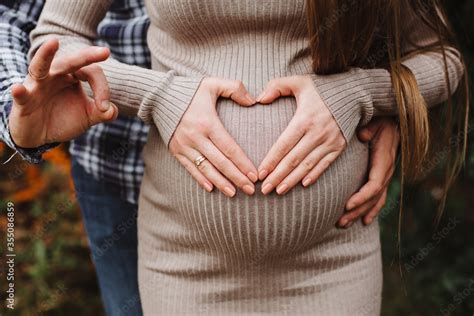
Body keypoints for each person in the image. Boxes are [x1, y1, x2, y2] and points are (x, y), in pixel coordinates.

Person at [8, 0, 456, 315]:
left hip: (331, 258)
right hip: (183, 258)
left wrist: (361, 93)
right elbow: (55, 44)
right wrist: (157, 94)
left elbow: (441, 58)